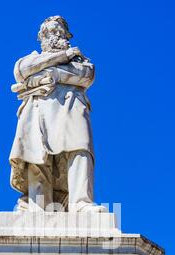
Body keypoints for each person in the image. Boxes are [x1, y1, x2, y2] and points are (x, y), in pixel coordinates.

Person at [9, 16, 106, 213]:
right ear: (41, 37)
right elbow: (22, 71)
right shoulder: (29, 58)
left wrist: (52, 75)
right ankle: (39, 207)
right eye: (50, 32)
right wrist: (63, 57)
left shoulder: (80, 60)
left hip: (72, 105)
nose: (55, 36)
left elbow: (86, 75)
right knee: (36, 155)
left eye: (59, 32)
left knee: (80, 149)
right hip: (37, 108)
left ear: (67, 35)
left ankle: (81, 203)